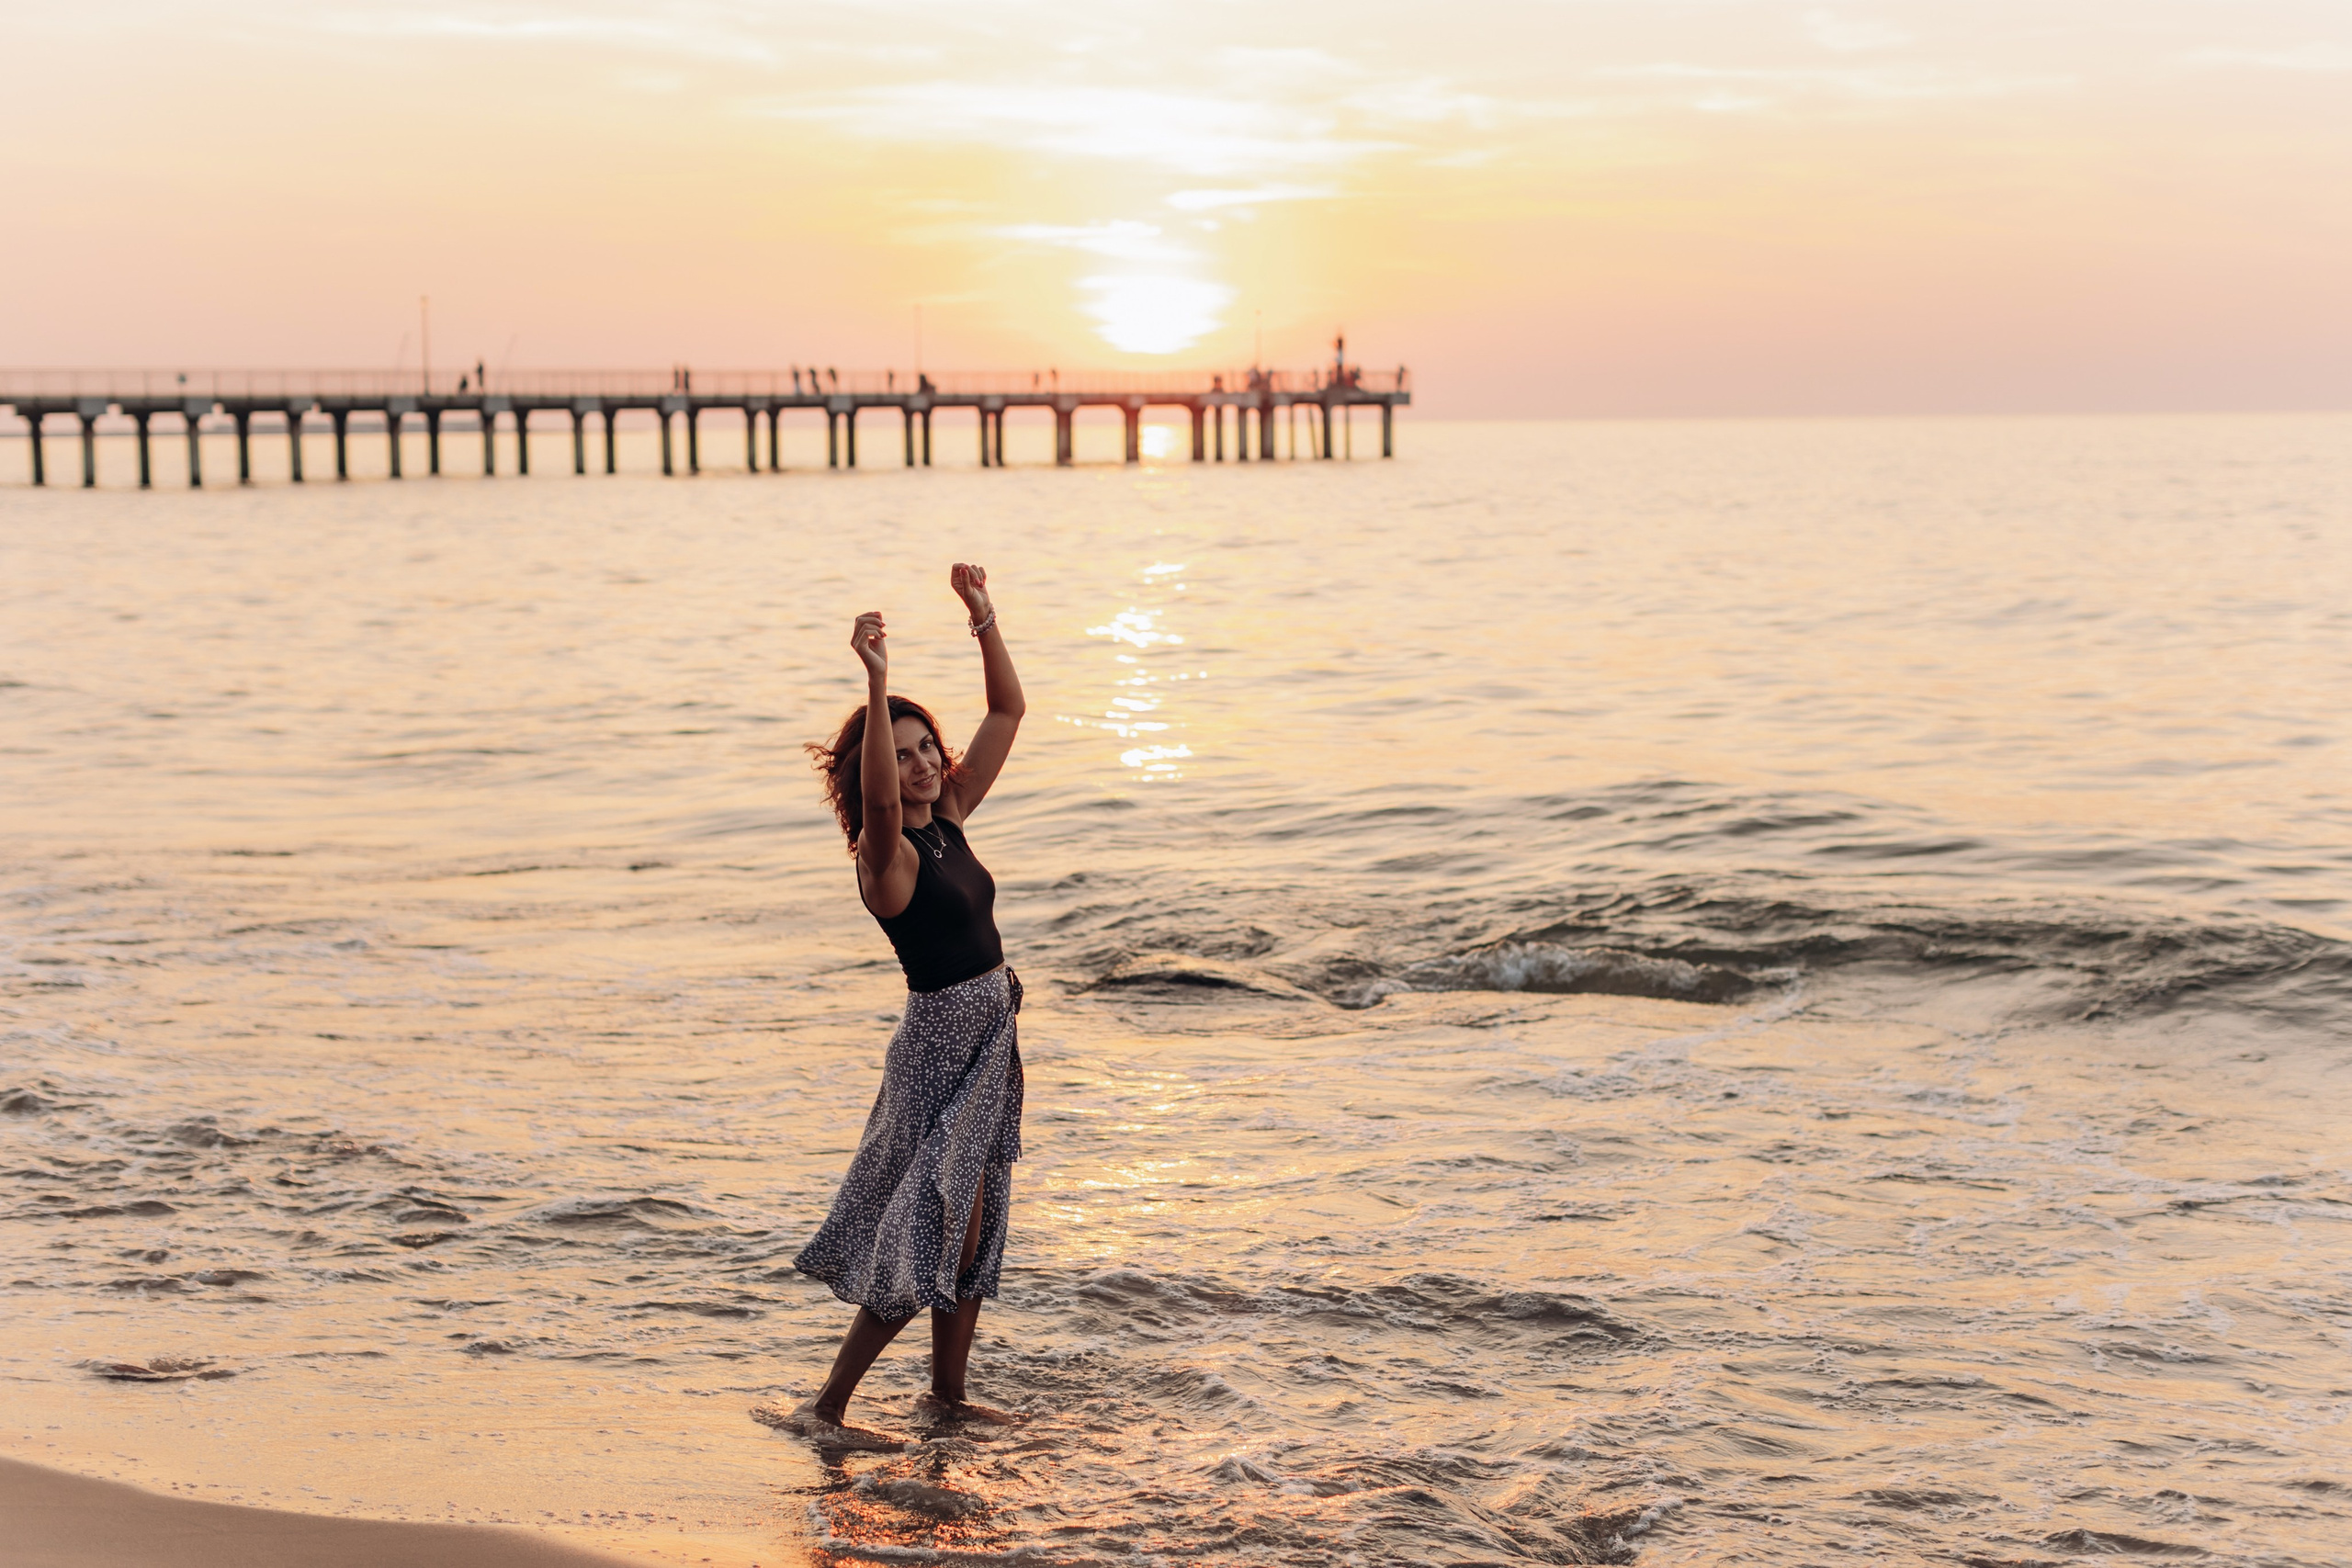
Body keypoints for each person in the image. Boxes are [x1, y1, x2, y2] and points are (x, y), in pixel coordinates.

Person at [761, 564, 1027, 1451]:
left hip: (992, 1038)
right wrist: (875, 683)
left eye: (926, 748)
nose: (919, 765)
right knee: (928, 1222)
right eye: (901, 750)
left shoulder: (949, 814)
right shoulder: (888, 861)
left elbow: (1006, 716)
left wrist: (984, 620)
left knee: (976, 1223)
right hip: (938, 1048)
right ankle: (828, 1405)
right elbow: (878, 799)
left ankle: (946, 1395)